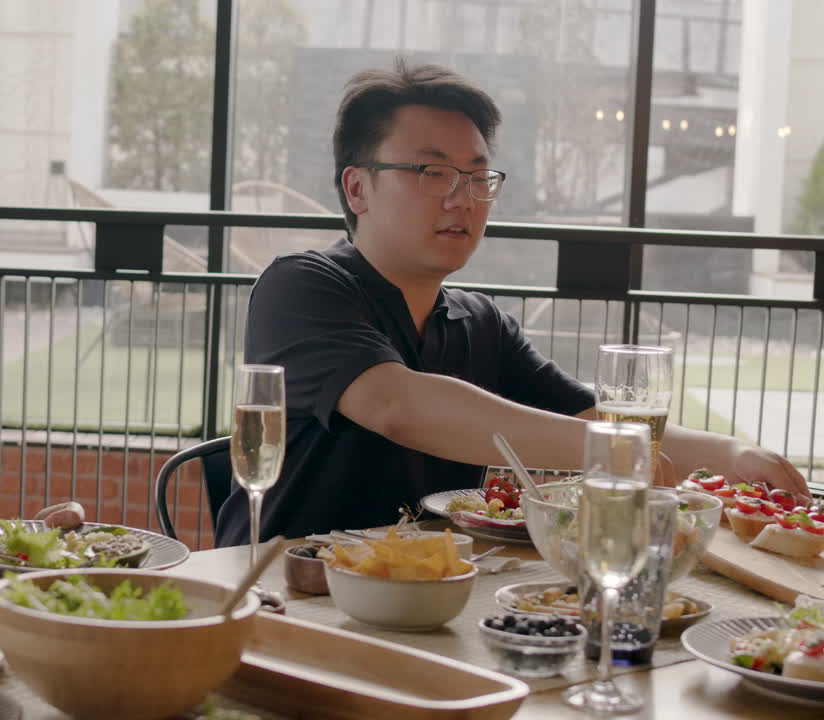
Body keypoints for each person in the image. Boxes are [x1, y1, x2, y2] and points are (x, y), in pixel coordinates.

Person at [214, 61, 809, 546]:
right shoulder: (302, 286)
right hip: (291, 593)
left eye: (477, 177)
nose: (462, 199)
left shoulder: (480, 321)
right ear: (356, 188)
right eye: (431, 173)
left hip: (434, 596)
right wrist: (616, 451)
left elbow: (592, 418)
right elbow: (397, 404)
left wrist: (735, 455)